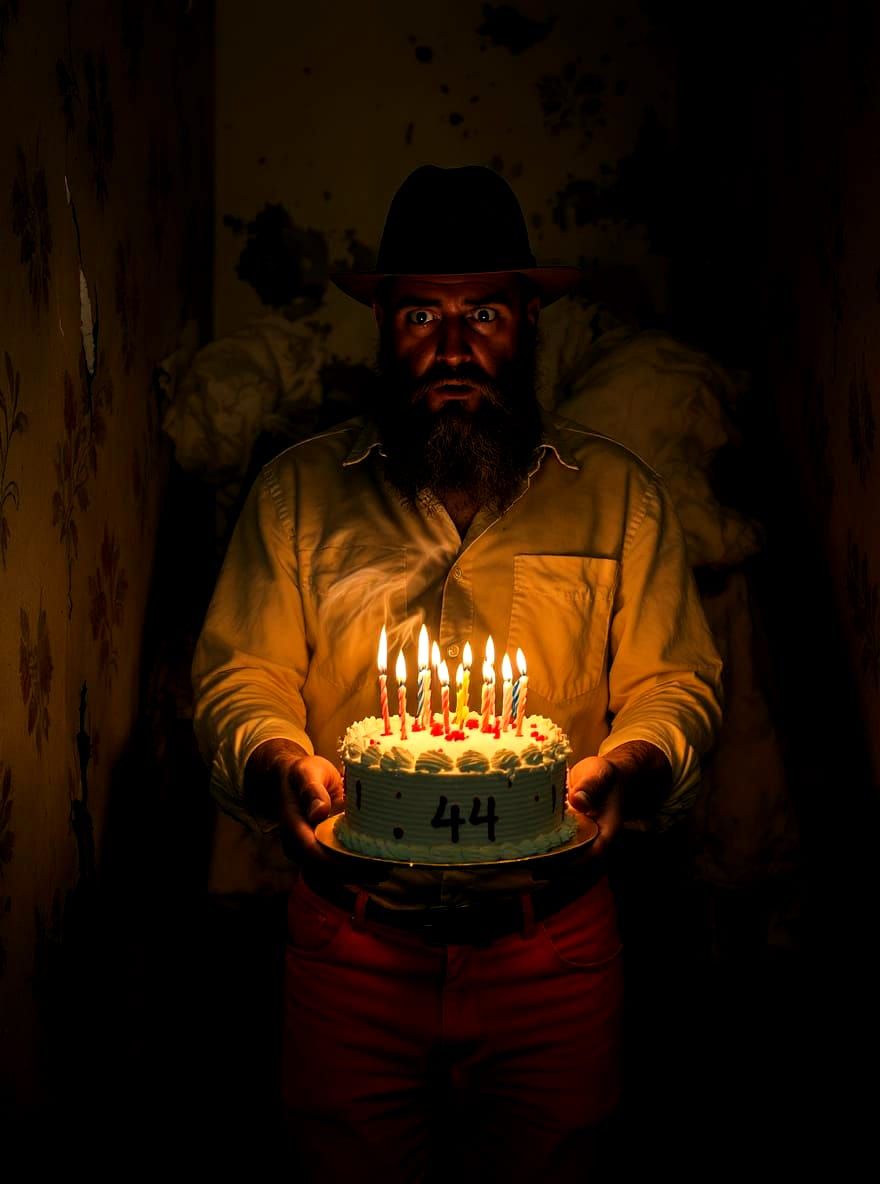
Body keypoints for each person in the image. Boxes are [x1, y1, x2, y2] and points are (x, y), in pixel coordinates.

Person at [191, 165, 723, 1183]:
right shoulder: (296, 495)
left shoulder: (618, 498)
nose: (451, 346)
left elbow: (677, 684)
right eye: (419, 314)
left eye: (482, 310)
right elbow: (238, 678)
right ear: (381, 325)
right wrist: (274, 763)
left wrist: (636, 764)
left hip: (551, 950)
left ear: (528, 319)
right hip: (352, 950)